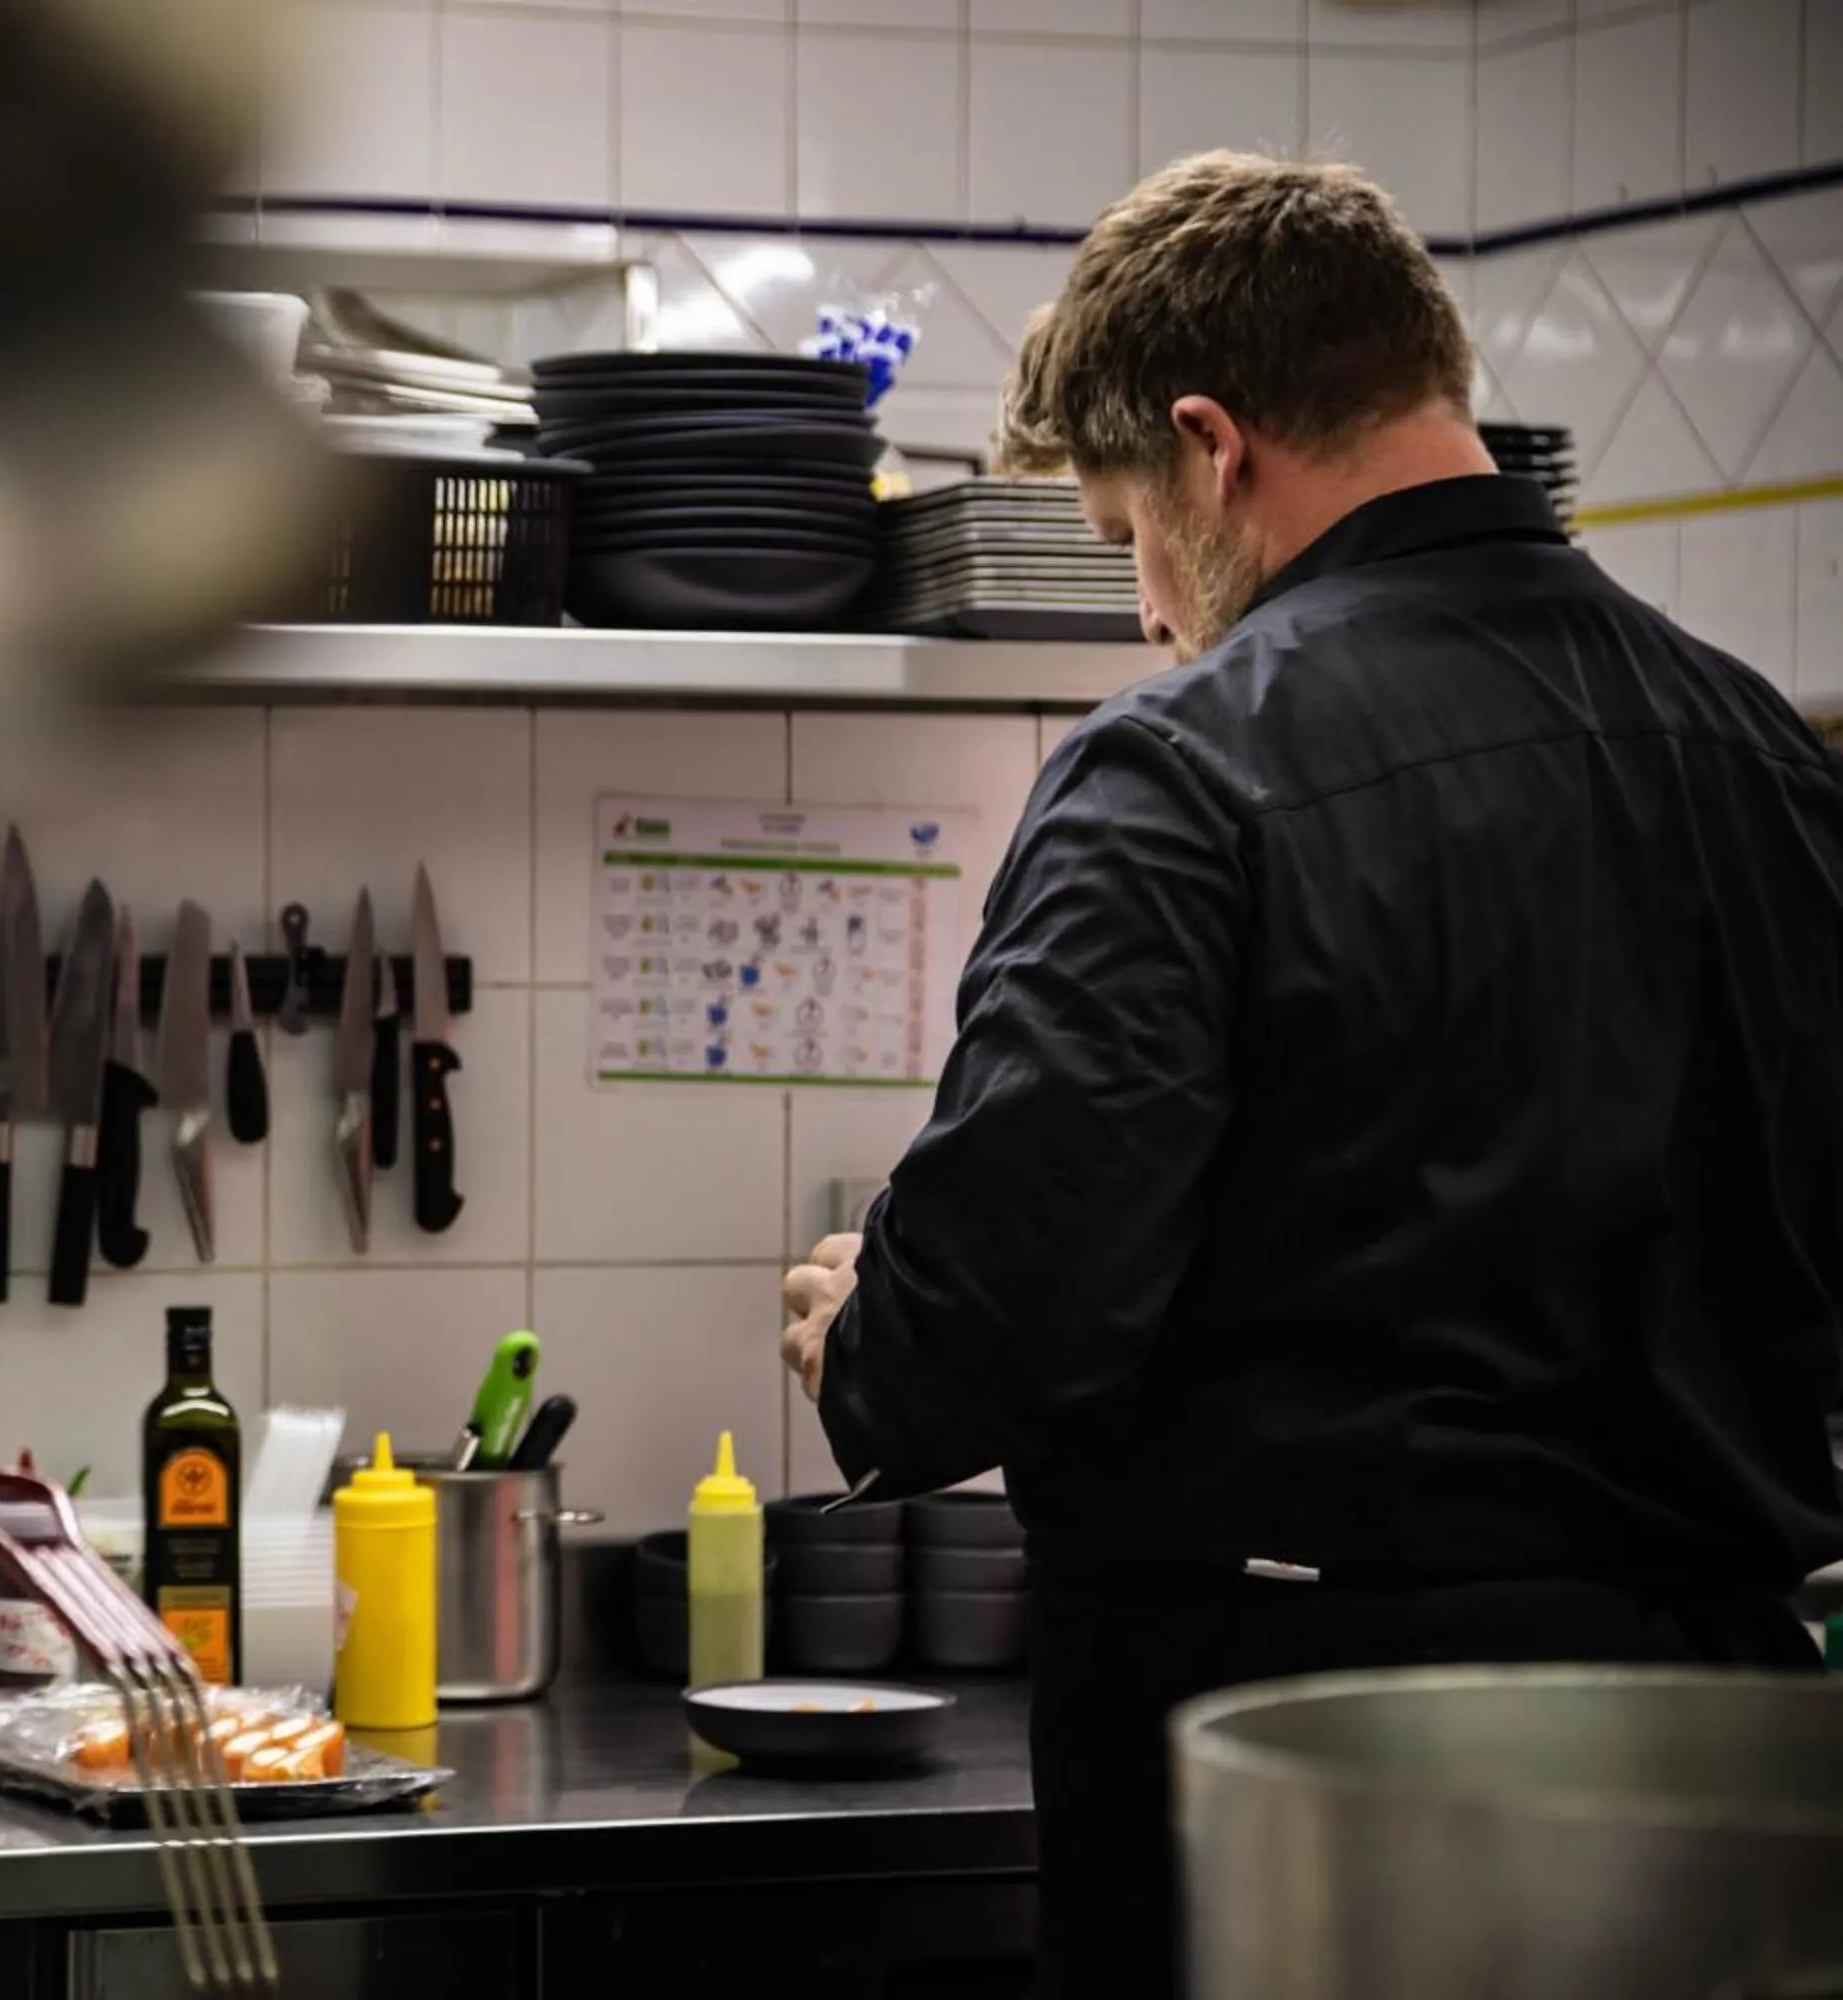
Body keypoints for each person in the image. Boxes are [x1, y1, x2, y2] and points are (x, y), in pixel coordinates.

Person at [776, 151, 1843, 2000]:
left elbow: (1003, 1326)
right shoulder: (1765, 750)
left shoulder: (1182, 773)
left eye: (1123, 536)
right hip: (1725, 1759)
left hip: (1304, 1767)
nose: (1148, 610)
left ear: (1211, 447)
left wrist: (868, 1328)